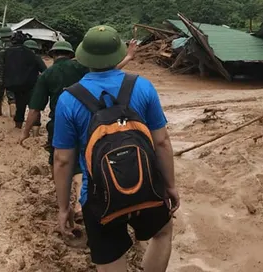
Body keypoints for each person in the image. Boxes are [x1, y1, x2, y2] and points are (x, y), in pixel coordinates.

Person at [53, 26, 177, 271]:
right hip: (148, 188)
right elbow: (161, 141)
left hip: (98, 197)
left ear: (84, 56)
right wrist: (170, 186)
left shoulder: (68, 99)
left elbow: (62, 160)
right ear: (119, 54)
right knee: (162, 234)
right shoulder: (143, 86)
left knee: (110, 256)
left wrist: (64, 208)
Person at [20, 38, 137, 219]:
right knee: (86, 160)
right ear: (72, 54)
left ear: (52, 55)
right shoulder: (84, 69)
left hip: (60, 123)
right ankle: (83, 201)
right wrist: (128, 56)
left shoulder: (47, 75)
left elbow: (35, 110)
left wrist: (25, 133)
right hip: (89, 121)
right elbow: (111, 72)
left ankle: (64, 201)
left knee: (60, 161)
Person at [3, 36, 47, 129]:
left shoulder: (14, 58)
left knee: (20, 109)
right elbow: (45, 71)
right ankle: (35, 134)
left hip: (19, 88)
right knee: (34, 109)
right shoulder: (35, 57)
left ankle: (17, 129)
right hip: (33, 87)